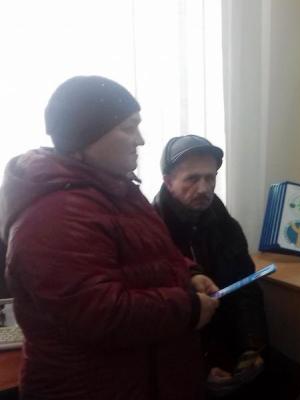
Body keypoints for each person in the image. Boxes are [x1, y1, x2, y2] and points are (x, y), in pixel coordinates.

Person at [0, 76, 219, 399]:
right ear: (86, 135)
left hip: (140, 379)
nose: (140, 140)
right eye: (128, 128)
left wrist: (188, 275)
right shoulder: (54, 214)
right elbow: (98, 314)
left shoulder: (118, 191)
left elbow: (152, 254)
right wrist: (187, 309)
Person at [153, 135, 300, 400]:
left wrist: (251, 347)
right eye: (192, 179)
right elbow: (159, 321)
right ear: (168, 182)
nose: (204, 188)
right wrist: (201, 369)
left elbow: (247, 292)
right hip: (183, 354)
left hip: (227, 341)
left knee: (290, 376)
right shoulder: (151, 231)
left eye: (210, 178)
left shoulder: (224, 225)